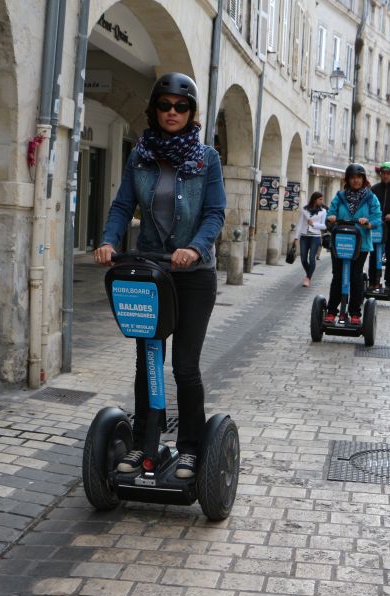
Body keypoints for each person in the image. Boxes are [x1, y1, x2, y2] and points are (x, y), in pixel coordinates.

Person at [94, 72, 225, 480]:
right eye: (165, 105)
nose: (172, 112)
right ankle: (145, 444)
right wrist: (109, 241)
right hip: (150, 271)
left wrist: (194, 248)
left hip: (193, 274)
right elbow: (121, 205)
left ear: (191, 113)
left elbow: (214, 213)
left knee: (185, 366)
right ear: (154, 109)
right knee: (148, 361)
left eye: (181, 106)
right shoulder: (140, 155)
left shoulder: (207, 158)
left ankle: (188, 448)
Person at [324, 164, 382, 325]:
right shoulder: (340, 196)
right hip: (340, 243)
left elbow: (377, 217)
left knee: (356, 277)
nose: (356, 180)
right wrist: (331, 218)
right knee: (338, 277)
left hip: (360, 244)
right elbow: (330, 213)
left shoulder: (371, 198)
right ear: (348, 180)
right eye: (352, 178)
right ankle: (331, 311)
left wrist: (369, 222)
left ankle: (355, 313)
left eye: (359, 177)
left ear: (363, 180)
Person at [294, 192, 327, 287]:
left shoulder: (323, 211)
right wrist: (296, 238)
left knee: (312, 257)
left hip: (315, 237)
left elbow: (324, 226)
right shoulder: (304, 209)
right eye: (320, 199)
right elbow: (300, 224)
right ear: (314, 199)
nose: (322, 201)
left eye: (322, 199)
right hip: (304, 236)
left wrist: (313, 224)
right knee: (303, 258)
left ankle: (308, 278)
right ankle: (310, 272)